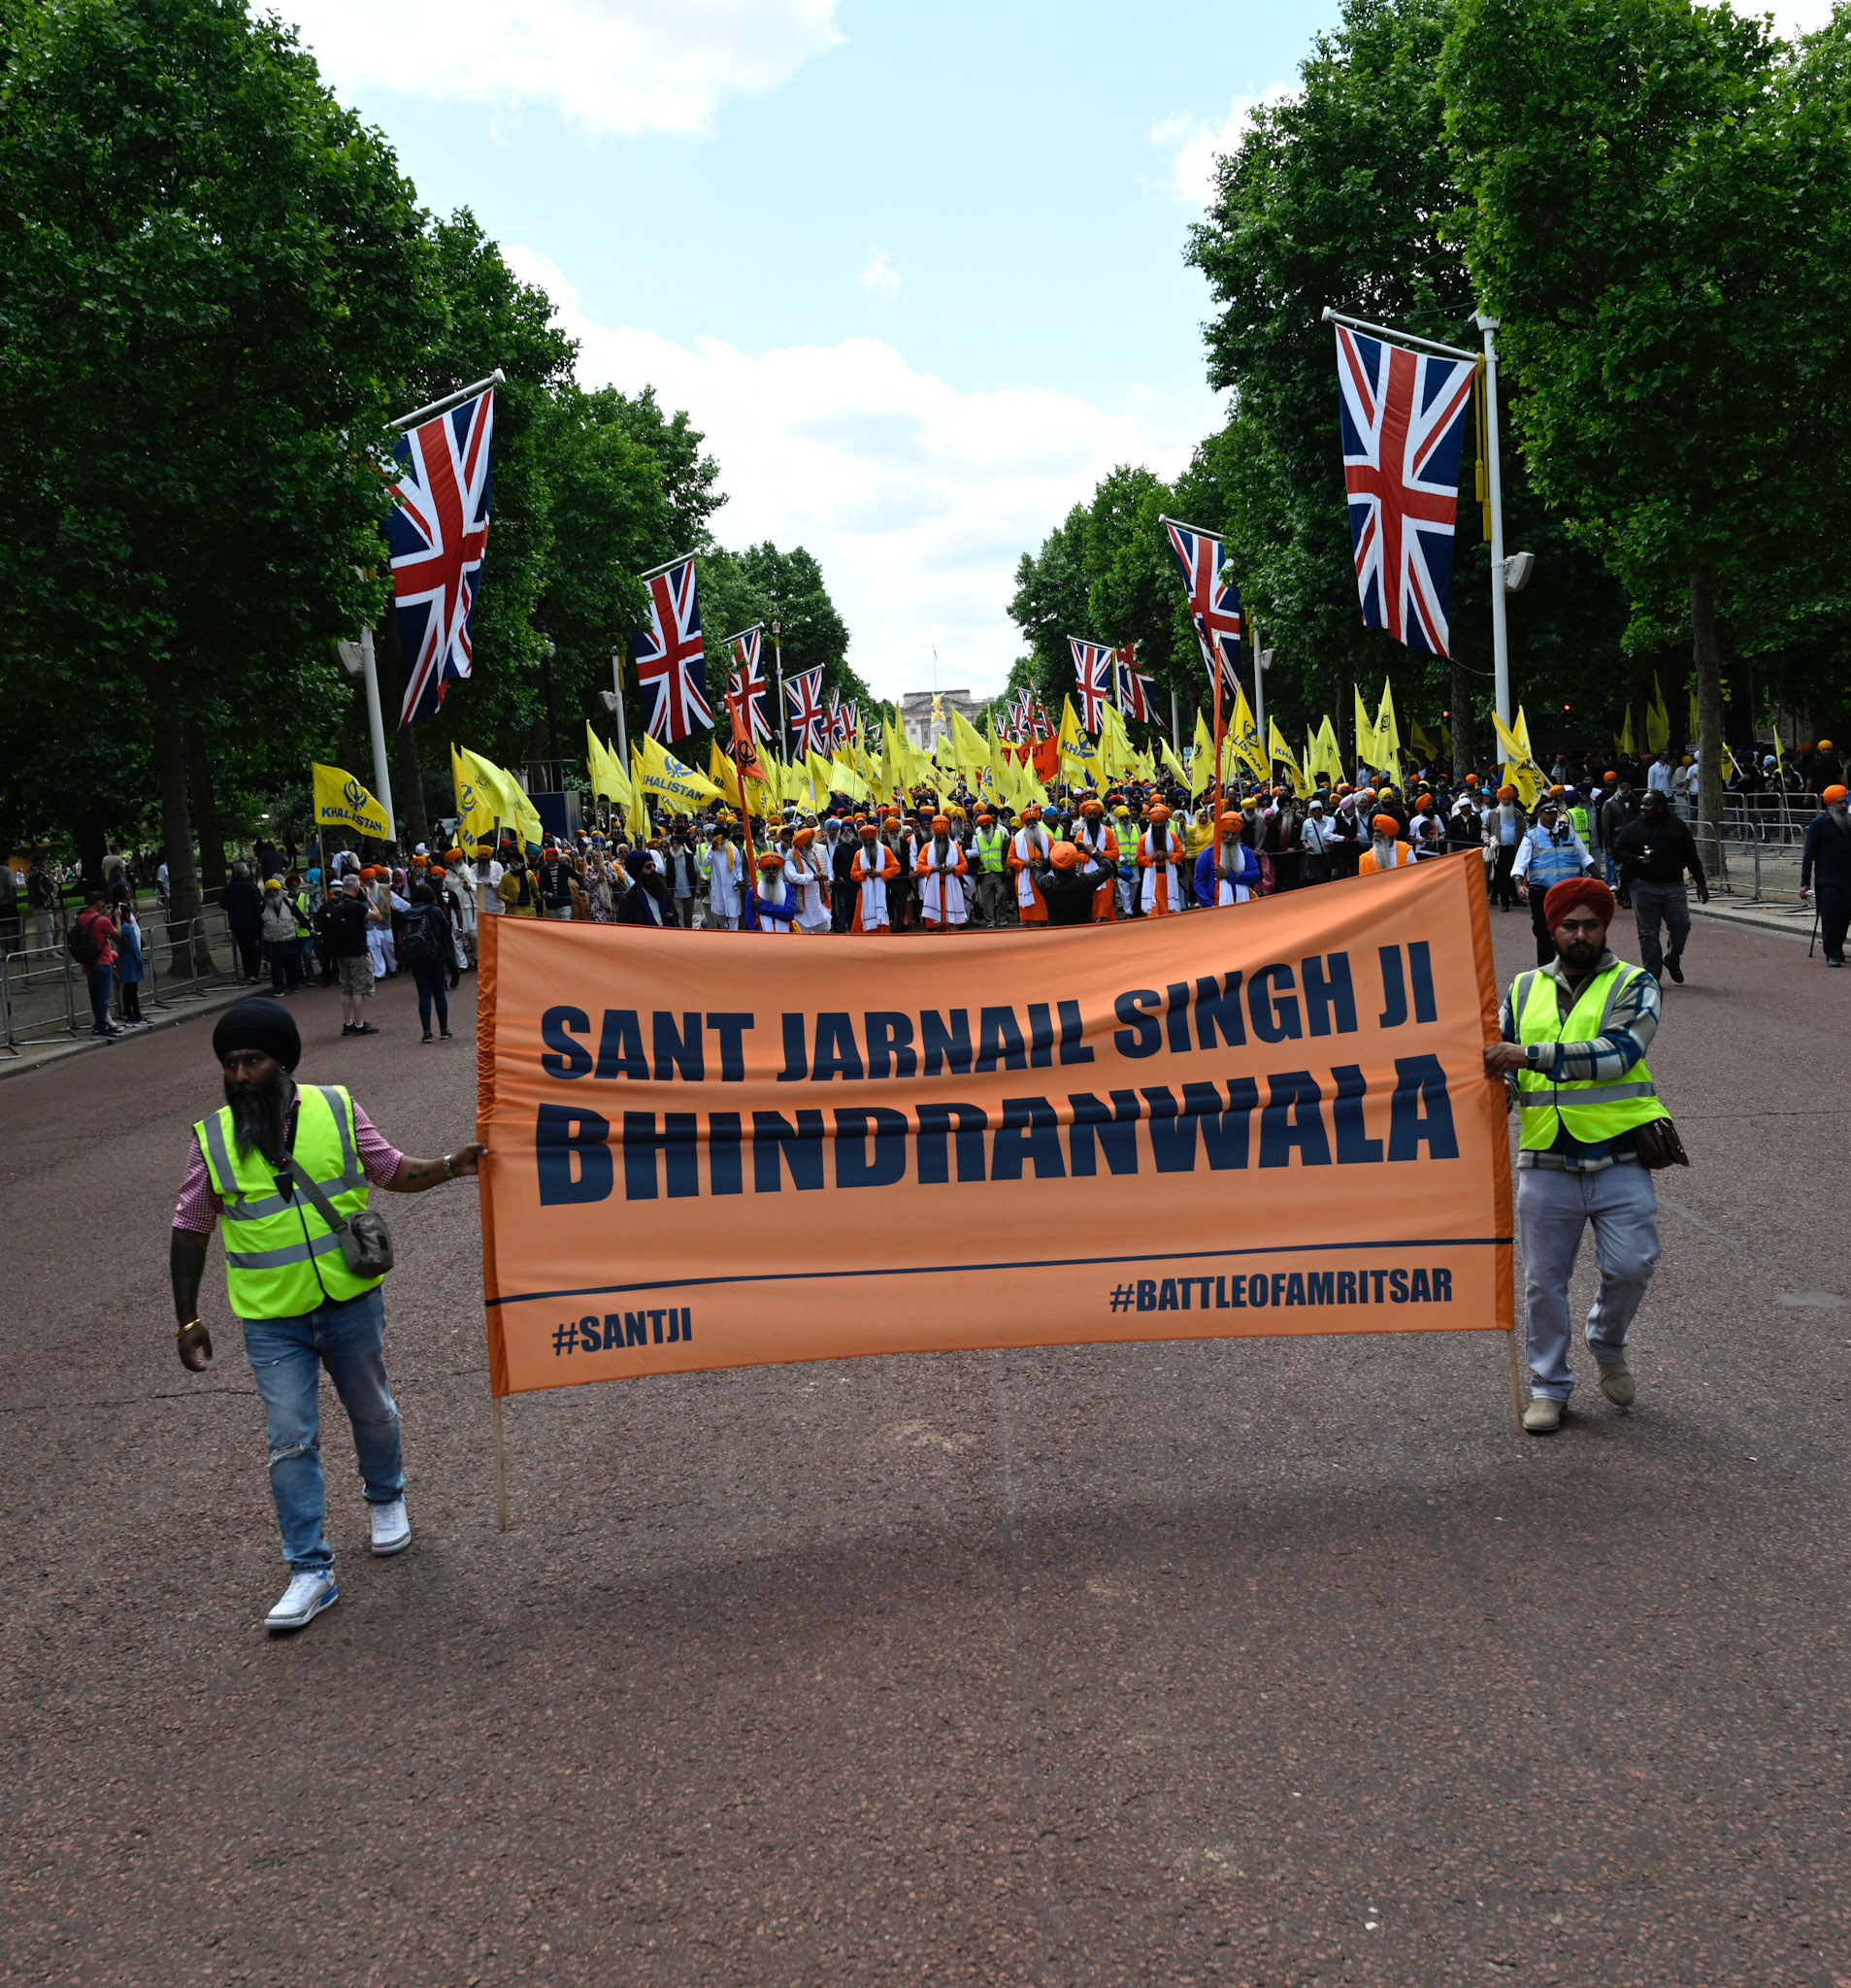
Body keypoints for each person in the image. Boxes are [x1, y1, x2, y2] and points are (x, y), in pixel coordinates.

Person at [170, 997, 484, 1630]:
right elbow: (190, 1227)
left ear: (282, 1062)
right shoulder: (212, 1140)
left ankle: (386, 1498)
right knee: (290, 1439)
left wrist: (452, 1165)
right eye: (229, 1064)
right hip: (270, 1319)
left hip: (349, 1301)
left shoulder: (337, 1108)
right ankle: (310, 1571)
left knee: (372, 1411)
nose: (238, 1077)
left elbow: (390, 1170)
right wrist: (186, 1318)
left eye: (251, 1061)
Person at [1484, 878, 1668, 1434]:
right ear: (1551, 928)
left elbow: (1620, 1053)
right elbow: (1507, 1073)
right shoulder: (1520, 989)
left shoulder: (1635, 984)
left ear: (1606, 927)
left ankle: (1606, 1340)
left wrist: (1529, 1056)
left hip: (1619, 1157)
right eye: (1570, 925)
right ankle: (1548, 1388)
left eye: (1591, 924)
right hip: (1544, 1158)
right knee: (1544, 1282)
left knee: (1633, 1264)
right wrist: (1496, 1085)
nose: (1581, 934)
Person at [1609, 789, 1708, 983]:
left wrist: (1701, 882)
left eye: (1648, 805)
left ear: (1660, 807)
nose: (1643, 808)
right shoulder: (1633, 828)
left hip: (1674, 886)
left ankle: (1672, 958)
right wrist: (1636, 859)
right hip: (1643, 886)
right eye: (1643, 804)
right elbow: (1618, 852)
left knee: (1681, 926)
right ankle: (1652, 976)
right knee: (1648, 933)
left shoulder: (1677, 826)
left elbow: (1691, 855)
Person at [1512, 797, 1596, 968]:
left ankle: (1571, 967)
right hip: (1542, 893)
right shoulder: (1531, 836)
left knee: (1571, 930)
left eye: (1554, 813)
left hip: (1569, 892)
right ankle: (1546, 969)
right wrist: (1519, 885)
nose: (1552, 816)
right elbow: (1519, 866)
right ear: (1539, 814)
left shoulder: (1569, 831)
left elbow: (1585, 858)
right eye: (1548, 813)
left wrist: (1600, 879)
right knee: (1543, 934)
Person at [1801, 783, 1851, 967]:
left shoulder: (1849, 823)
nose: (1844, 806)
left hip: (1847, 879)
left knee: (1845, 917)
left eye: (1845, 802)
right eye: (1839, 803)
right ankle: (1832, 953)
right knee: (1830, 916)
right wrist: (1805, 882)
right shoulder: (1818, 825)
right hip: (1827, 880)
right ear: (1830, 804)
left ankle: (1837, 946)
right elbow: (1808, 855)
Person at [329, 873, 384, 1037]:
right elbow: (378, 917)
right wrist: (368, 898)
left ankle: (348, 1023)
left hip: (341, 951)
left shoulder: (335, 903)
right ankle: (359, 1025)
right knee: (358, 989)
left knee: (346, 989)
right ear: (356, 888)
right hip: (357, 951)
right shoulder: (356, 905)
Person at [400, 881, 454, 1042]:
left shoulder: (408, 913)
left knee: (423, 995)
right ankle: (444, 1029)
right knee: (439, 993)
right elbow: (446, 928)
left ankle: (427, 1032)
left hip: (416, 957)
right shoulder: (435, 911)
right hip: (436, 955)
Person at [70, 887, 122, 1039]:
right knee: (103, 996)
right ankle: (101, 1026)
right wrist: (117, 918)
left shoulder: (81, 918)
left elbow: (93, 928)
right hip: (102, 960)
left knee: (95, 995)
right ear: (99, 903)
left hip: (89, 961)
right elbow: (117, 935)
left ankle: (99, 1025)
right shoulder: (103, 921)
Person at [915, 815, 970, 930]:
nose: (941, 837)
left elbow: (964, 866)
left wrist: (952, 870)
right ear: (935, 834)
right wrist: (935, 869)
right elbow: (919, 868)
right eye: (938, 835)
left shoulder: (955, 846)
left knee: (952, 923)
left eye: (943, 835)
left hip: (952, 888)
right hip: (934, 889)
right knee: (938, 924)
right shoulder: (927, 847)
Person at [1195, 813, 1261, 905]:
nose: (1230, 837)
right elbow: (1199, 883)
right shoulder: (1208, 853)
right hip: (1216, 905)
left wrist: (1229, 875)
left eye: (1234, 834)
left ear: (1238, 835)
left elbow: (1255, 875)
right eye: (1226, 833)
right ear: (1220, 832)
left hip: (1242, 903)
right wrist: (1209, 906)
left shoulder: (1246, 852)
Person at [1032, 841, 1103, 925]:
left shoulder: (1047, 883)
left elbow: (1037, 871)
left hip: (1057, 933)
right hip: (1083, 931)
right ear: (1075, 861)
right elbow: (1107, 867)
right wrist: (1093, 852)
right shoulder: (1086, 881)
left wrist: (1056, 854)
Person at [1137, 804, 1189, 915]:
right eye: (1156, 822)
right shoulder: (1144, 838)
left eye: (1161, 822)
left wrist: (1168, 856)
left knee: (1168, 908)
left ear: (1165, 822)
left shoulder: (1173, 836)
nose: (1159, 825)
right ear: (1151, 822)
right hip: (1152, 878)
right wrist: (1152, 858)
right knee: (1154, 908)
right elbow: (1138, 859)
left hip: (1168, 876)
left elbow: (1181, 855)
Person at [847, 822, 900, 931]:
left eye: (870, 840)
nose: (868, 843)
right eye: (865, 841)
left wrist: (880, 874)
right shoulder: (858, 854)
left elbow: (896, 868)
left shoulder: (885, 850)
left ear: (875, 838)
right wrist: (863, 873)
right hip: (865, 894)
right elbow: (853, 874)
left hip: (883, 891)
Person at [1008, 806, 1051, 924]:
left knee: (1045, 911)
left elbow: (1055, 856)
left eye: (1034, 820)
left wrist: (1045, 862)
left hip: (1044, 878)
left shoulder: (1047, 837)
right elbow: (1010, 859)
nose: (1032, 823)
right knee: (1031, 914)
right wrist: (1024, 864)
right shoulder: (1017, 839)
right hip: (1026, 879)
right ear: (1024, 822)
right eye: (1029, 821)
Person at [222, 861, 264, 983]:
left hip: (237, 923)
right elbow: (258, 904)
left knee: (244, 949)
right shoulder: (251, 886)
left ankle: (248, 972)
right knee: (256, 948)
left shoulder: (229, 888)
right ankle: (253, 973)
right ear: (245, 872)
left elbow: (223, 904)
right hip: (253, 922)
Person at [969, 811, 1012, 927]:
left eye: (987, 826)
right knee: (987, 899)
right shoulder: (976, 838)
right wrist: (979, 865)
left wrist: (1007, 868)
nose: (986, 829)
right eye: (983, 827)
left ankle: (1003, 917)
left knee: (1002, 895)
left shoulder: (1001, 834)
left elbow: (1007, 853)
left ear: (991, 825)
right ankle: (991, 920)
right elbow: (975, 854)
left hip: (999, 871)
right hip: (984, 873)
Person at [1485, 787, 1526, 909]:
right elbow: (1485, 828)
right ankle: (1504, 902)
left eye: (1508, 799)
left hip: (1515, 849)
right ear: (1500, 799)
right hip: (1499, 849)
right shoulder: (1493, 814)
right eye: (1504, 799)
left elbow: (1523, 831)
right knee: (1502, 875)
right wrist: (1486, 838)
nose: (1506, 801)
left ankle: (1515, 898)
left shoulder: (1518, 814)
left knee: (1515, 874)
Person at [115, 903, 148, 1027]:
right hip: (132, 960)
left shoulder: (119, 928)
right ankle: (137, 1016)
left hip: (123, 959)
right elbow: (135, 947)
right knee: (133, 991)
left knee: (127, 990)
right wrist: (140, 962)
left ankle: (129, 1015)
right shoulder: (129, 929)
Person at [707, 828, 744, 930]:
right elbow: (705, 862)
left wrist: (739, 879)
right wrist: (712, 849)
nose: (721, 840)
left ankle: (734, 935)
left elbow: (739, 867)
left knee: (733, 913)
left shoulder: (733, 849)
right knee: (719, 913)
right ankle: (724, 930)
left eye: (723, 837)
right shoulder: (712, 849)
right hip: (718, 887)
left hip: (732, 887)